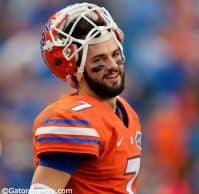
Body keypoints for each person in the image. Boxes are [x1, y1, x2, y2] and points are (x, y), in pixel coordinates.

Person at [29, 2, 142, 194]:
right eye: (99, 60)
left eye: (115, 54)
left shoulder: (125, 111)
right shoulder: (74, 119)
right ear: (75, 71)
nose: (113, 65)